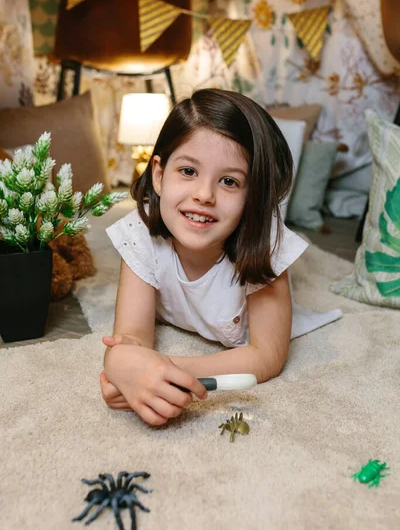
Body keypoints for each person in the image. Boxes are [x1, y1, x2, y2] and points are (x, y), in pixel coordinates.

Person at [100, 88, 309, 426]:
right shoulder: (140, 233)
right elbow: (132, 336)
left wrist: (157, 369)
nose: (203, 195)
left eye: (229, 181)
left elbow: (267, 355)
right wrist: (123, 362)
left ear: (252, 196)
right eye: (188, 171)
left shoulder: (264, 241)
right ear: (159, 173)